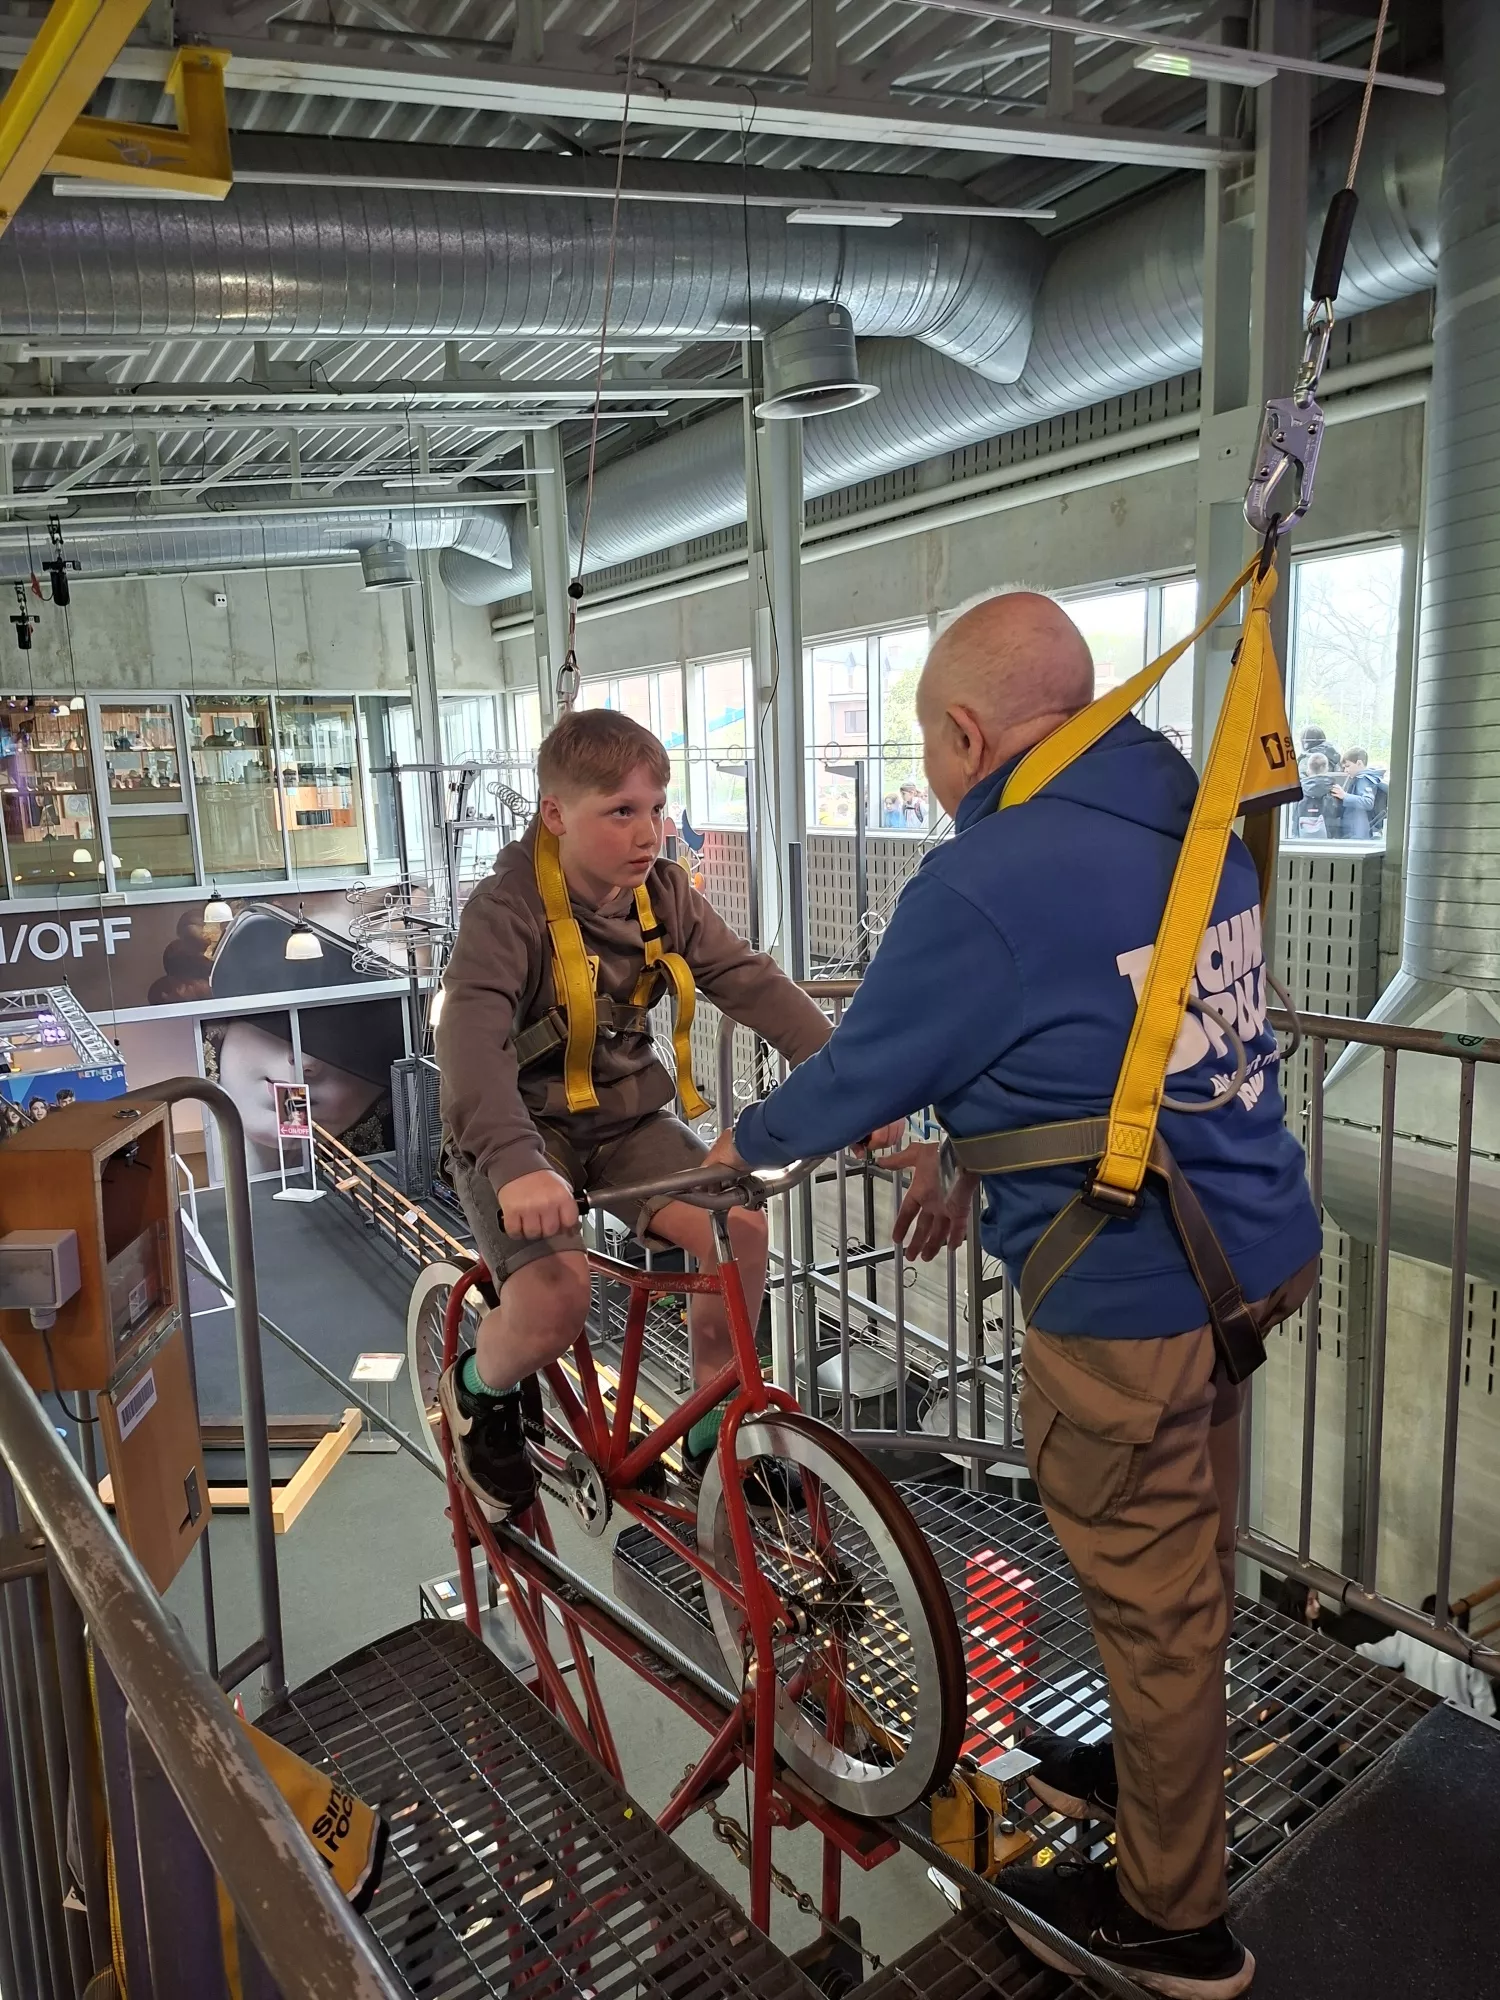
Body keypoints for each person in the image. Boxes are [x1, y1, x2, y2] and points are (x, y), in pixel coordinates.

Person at [708, 590, 1321, 1999]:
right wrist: (966, 1154)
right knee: (1184, 1567)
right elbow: (1109, 1036)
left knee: (1152, 1600)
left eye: (929, 747)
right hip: (1250, 1252)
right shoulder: (1184, 811)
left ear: (969, 735)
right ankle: (1160, 1769)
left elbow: (861, 1069)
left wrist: (740, 1147)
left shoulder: (982, 878)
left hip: (1129, 1296)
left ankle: (1174, 1924)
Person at [434, 708, 849, 1518]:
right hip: (520, 1132)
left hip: (623, 1125)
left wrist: (845, 1075)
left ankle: (710, 1428)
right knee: (555, 1301)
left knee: (739, 1229)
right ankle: (479, 1389)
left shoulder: (661, 895)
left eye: (656, 808)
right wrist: (515, 1166)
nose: (648, 832)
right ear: (555, 814)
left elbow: (746, 978)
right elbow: (471, 1040)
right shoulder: (507, 909)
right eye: (621, 811)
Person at [1357, 1597, 1497, 1715]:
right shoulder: (1466, 1646)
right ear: (1450, 1619)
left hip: (1417, 1710)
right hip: (1454, 1715)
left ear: (1422, 1616)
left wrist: (1356, 1654)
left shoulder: (1410, 1635)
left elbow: (1378, 1653)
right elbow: (1482, 1693)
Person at [1331, 749, 1384, 841]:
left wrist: (1344, 796)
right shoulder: (1362, 779)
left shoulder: (1363, 780)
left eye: (1348, 766)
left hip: (1357, 832)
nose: (1346, 770)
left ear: (1359, 763)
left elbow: (1368, 802)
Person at [1296, 752, 1341, 839]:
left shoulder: (1298, 791)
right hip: (1330, 840)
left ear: (1308, 770)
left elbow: (1294, 818)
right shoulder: (1336, 790)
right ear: (1326, 769)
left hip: (1302, 839)